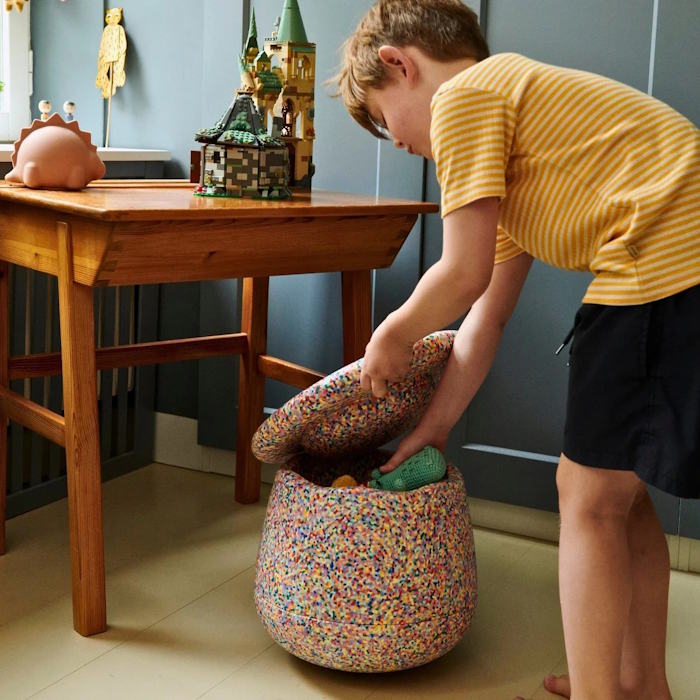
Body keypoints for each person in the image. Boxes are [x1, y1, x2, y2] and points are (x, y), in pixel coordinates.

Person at [331, 1, 699, 698]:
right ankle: (637, 684)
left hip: (662, 258)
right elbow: (482, 319)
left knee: (584, 498)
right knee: (618, 494)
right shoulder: (511, 139)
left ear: (399, 65)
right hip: (678, 257)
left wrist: (393, 333)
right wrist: (434, 429)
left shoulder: (467, 98)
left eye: (387, 120)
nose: (401, 144)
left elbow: (459, 273)